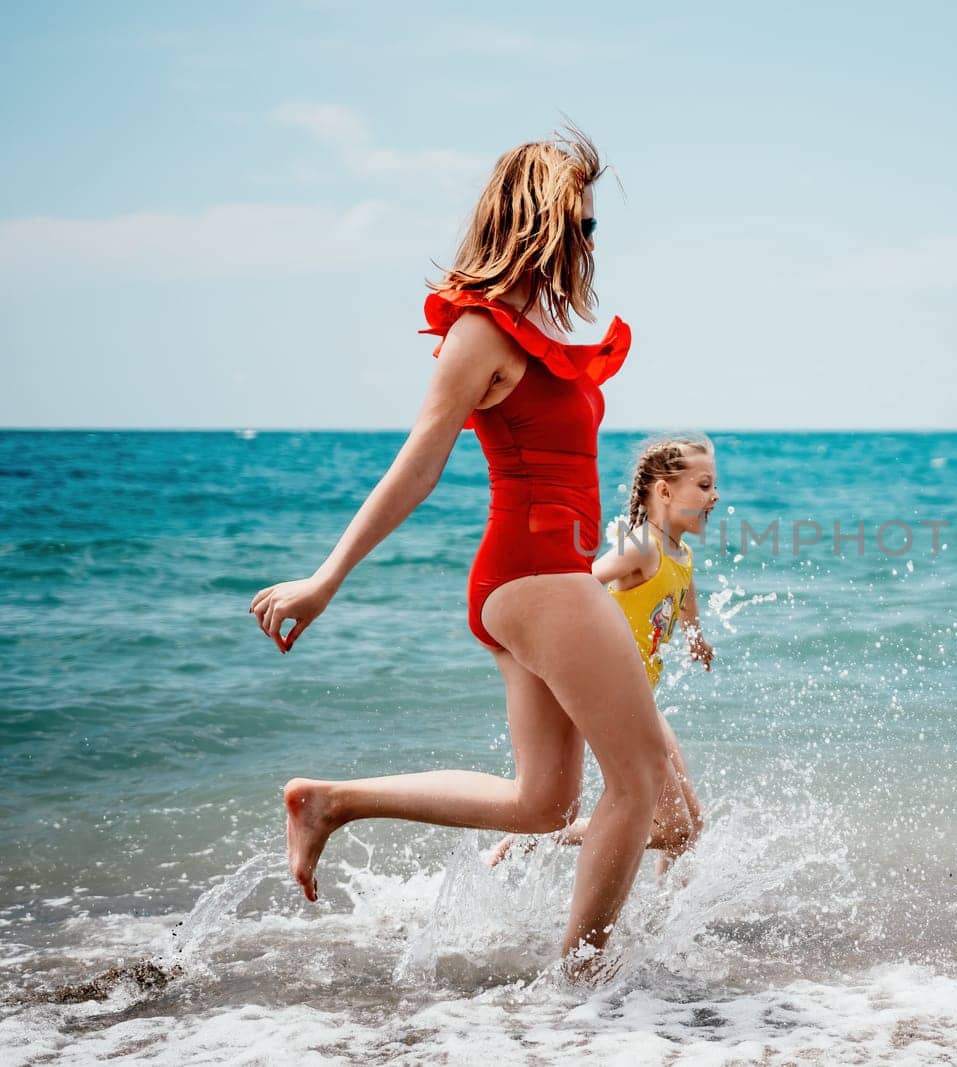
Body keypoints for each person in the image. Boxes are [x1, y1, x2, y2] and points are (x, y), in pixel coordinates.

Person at [247, 127, 671, 977]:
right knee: (642, 786)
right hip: (537, 578)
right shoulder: (479, 332)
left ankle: (330, 802)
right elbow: (419, 463)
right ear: (535, 221)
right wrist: (326, 579)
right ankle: (582, 986)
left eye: (592, 228)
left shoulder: (534, 323)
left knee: (544, 802)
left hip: (538, 583)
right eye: (578, 226)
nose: (588, 243)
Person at [491, 436, 718, 873]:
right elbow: (582, 584)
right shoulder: (640, 547)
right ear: (665, 492)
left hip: (639, 699)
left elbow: (685, 593)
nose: (716, 495)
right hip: (608, 693)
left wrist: (695, 638)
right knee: (674, 828)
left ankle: (669, 918)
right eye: (704, 485)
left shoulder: (679, 551)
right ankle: (545, 838)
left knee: (691, 825)